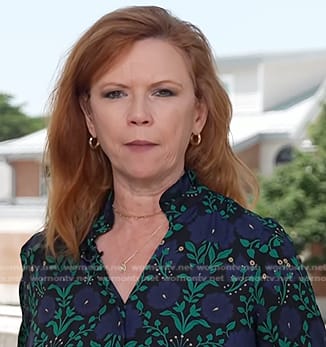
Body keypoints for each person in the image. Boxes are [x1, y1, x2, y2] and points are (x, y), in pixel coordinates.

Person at [18, 5, 326, 346]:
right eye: (115, 93)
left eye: (163, 92)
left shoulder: (259, 250)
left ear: (197, 114)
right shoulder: (45, 260)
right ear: (90, 116)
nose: (138, 115)